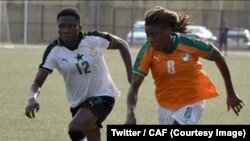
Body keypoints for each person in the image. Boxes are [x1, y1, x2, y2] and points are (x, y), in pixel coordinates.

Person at [25, 7, 132, 141]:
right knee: (93, 135)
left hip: (103, 96)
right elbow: (37, 83)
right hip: (77, 104)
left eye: (71, 26)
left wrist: (130, 75)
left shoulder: (93, 39)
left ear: (79, 27)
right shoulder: (54, 51)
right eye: (61, 26)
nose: (65, 30)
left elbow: (122, 44)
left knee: (74, 127)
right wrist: (32, 99)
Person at [125, 6, 245, 125]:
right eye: (147, 35)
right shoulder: (148, 50)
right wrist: (130, 113)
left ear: (168, 30)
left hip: (193, 101)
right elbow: (134, 85)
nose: (150, 39)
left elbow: (218, 56)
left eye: (154, 35)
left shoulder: (188, 44)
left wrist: (231, 93)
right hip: (165, 105)